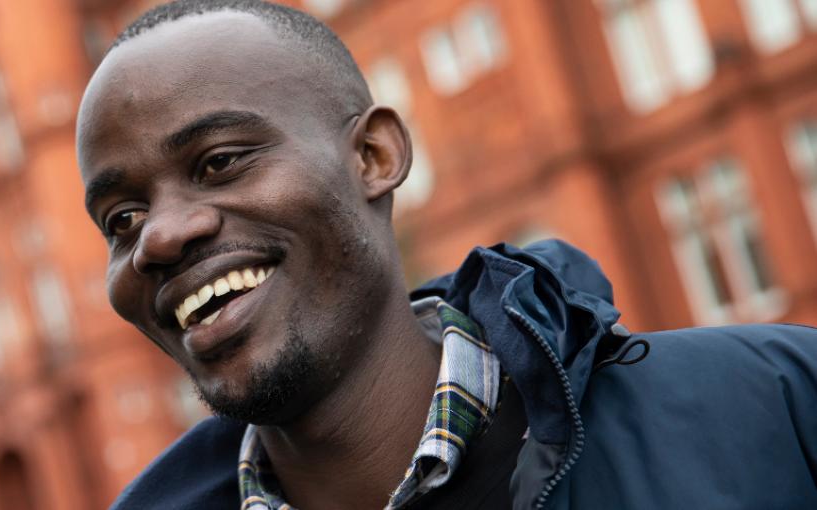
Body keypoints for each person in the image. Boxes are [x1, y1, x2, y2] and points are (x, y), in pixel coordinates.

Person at [74, 1, 817, 508]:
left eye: (221, 161)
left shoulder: (776, 410)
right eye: (122, 217)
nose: (158, 238)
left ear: (373, 154)